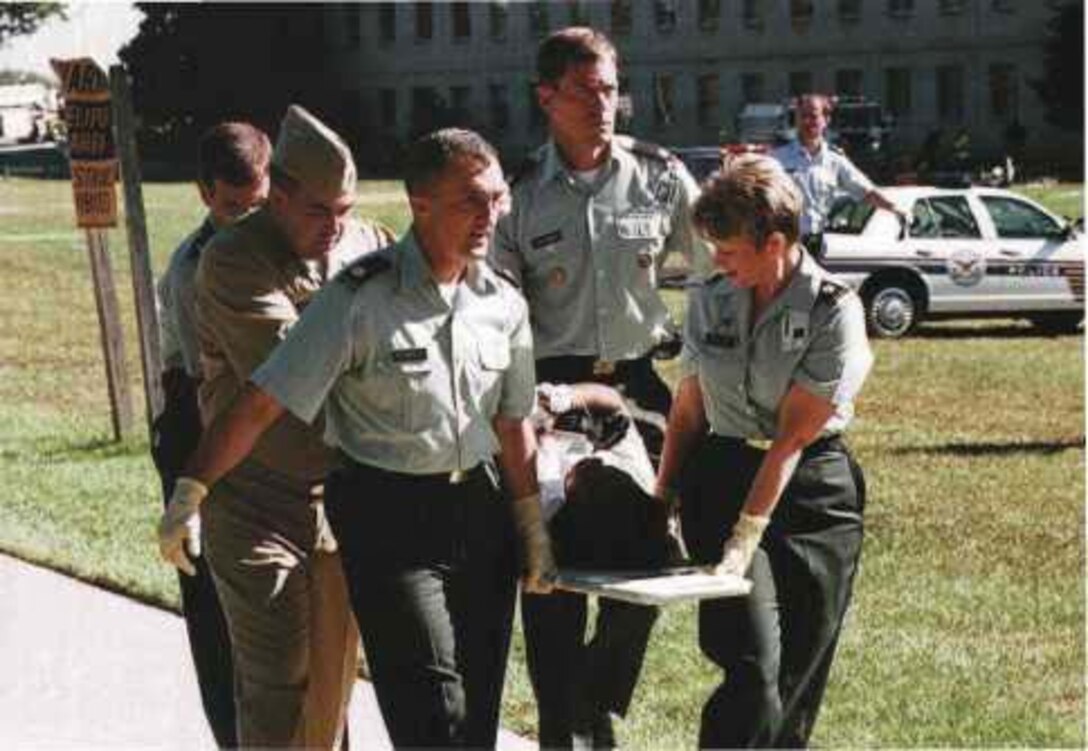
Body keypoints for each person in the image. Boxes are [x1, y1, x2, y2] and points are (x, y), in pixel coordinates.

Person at [158, 127, 556, 748]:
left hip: (473, 513)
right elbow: (263, 399)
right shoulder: (350, 293)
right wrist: (191, 490)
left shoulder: (501, 302)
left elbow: (513, 420)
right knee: (386, 702)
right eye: (470, 202)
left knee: (466, 716)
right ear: (420, 204)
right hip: (365, 508)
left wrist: (530, 525)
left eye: (497, 199)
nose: (489, 217)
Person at [490, 26, 702, 749]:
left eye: (610, 88)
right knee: (553, 570)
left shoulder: (662, 177)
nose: (602, 103)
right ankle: (561, 725)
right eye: (585, 91)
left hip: (639, 389)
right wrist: (532, 409)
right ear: (546, 97)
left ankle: (593, 696)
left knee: (657, 550)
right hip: (552, 392)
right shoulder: (517, 195)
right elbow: (500, 316)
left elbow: (713, 269)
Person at [158, 104, 395, 748]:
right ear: (278, 195)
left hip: (341, 494)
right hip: (254, 495)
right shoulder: (231, 259)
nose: (334, 227)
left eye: (344, 210)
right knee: (276, 684)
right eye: (319, 211)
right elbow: (296, 378)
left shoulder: (367, 242)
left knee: (331, 687)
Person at [655, 154, 873, 748]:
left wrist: (746, 536)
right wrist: (663, 496)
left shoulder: (835, 309)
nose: (717, 262)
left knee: (799, 672)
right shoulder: (711, 296)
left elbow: (791, 439)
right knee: (751, 665)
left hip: (810, 490)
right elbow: (689, 408)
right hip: (722, 476)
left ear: (774, 242)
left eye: (729, 251)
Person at [151, 119, 271, 749]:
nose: (247, 219)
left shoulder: (293, 245)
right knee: (216, 615)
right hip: (201, 430)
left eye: (257, 204)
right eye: (232, 207)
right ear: (204, 195)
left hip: (274, 441)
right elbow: (197, 386)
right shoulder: (190, 270)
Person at [772, 93, 908, 259]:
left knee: (813, 284)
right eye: (802, 116)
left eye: (813, 116)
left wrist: (895, 209)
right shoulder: (777, 158)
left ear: (826, 119)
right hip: (785, 243)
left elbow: (866, 191)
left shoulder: (835, 160)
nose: (807, 122)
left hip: (816, 243)